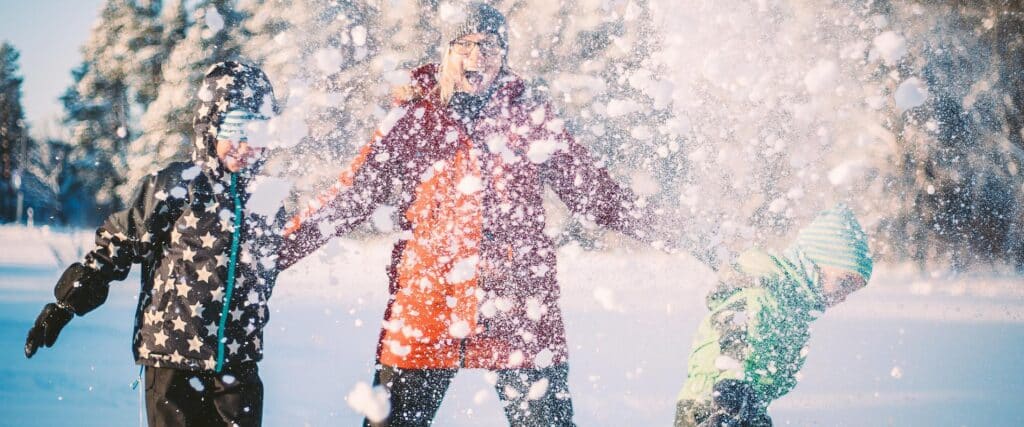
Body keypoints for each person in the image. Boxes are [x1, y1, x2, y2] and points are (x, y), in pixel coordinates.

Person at [277, 3, 660, 425]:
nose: (480, 55)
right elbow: (350, 198)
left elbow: (595, 193)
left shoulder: (529, 118)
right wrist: (269, 254)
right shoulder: (413, 117)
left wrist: (676, 230)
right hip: (429, 305)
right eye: (467, 44)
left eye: (492, 45)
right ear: (447, 51)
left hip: (518, 308)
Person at [24, 61, 286, 427]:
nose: (246, 145)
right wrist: (64, 305)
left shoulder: (268, 201)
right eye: (236, 127)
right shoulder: (177, 184)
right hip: (173, 358)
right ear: (210, 124)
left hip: (238, 364)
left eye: (258, 130)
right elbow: (119, 244)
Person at [674, 205, 874, 427]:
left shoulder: (793, 307)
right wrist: (729, 393)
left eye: (851, 289)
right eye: (843, 281)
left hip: (745, 404)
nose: (844, 295)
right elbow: (735, 327)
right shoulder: (768, 289)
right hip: (714, 403)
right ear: (813, 264)